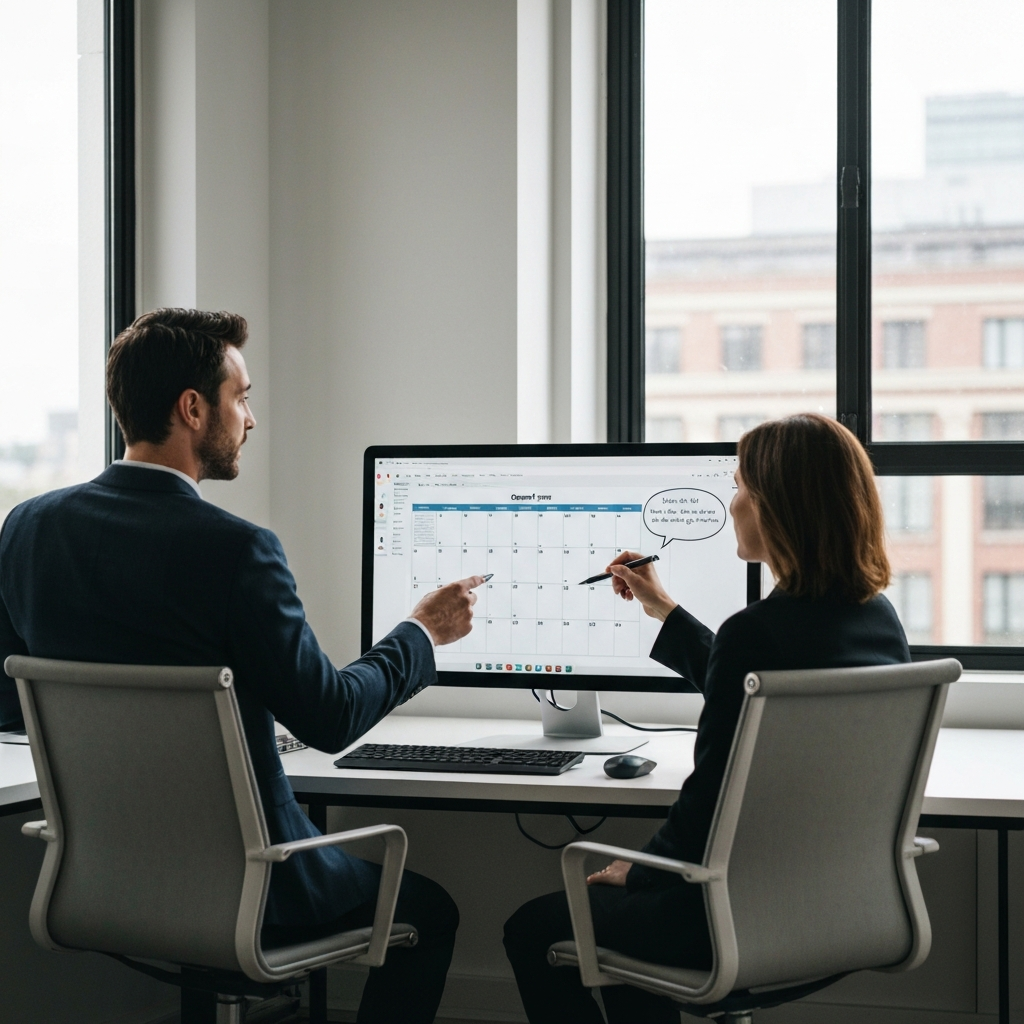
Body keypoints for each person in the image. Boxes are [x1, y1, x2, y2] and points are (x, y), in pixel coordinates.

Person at [0, 308, 477, 1024]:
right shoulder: (236, 549)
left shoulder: (27, 528)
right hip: (254, 890)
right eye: (241, 396)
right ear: (193, 409)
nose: (250, 419)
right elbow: (331, 716)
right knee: (430, 912)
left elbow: (15, 705)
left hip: (104, 879)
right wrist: (420, 633)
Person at [503, 413, 910, 1024]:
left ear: (779, 507)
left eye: (742, 486)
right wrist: (661, 606)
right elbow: (757, 686)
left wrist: (636, 871)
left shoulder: (757, 634)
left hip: (730, 919)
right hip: (835, 909)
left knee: (534, 927)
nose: (732, 501)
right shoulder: (876, 618)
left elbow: (705, 812)